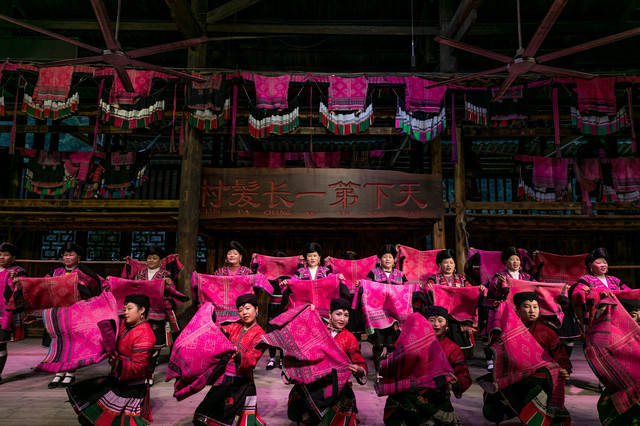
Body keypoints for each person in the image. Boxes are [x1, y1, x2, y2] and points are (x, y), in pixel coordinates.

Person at [483, 291, 572, 424]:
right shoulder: (508, 330)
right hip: (512, 378)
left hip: (538, 380)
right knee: (492, 409)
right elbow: (496, 348)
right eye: (527, 306)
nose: (532, 310)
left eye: (535, 307)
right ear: (518, 310)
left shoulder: (547, 332)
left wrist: (564, 369)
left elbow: (561, 357)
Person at [66, 294, 156, 426]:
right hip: (117, 378)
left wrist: (117, 363)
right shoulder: (126, 324)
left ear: (141, 310)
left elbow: (139, 367)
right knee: (86, 408)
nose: (125, 312)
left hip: (131, 387)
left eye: (129, 308)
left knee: (100, 420)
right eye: (124, 309)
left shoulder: (145, 336)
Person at [288, 298, 368, 425]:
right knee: (299, 396)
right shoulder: (318, 330)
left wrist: (360, 370)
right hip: (314, 380)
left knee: (346, 400)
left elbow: (360, 361)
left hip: (336, 384)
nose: (342, 319)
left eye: (346, 315)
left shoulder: (350, 338)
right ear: (330, 315)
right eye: (338, 314)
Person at [194, 294, 267, 425]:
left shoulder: (260, 335)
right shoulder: (235, 327)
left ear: (256, 309)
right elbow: (219, 331)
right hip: (224, 380)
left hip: (241, 384)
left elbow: (251, 360)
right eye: (240, 310)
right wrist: (210, 319)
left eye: (247, 308)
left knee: (229, 421)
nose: (244, 313)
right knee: (202, 415)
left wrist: (238, 355)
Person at [47, 242, 102, 388]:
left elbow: (100, 284)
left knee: (72, 343)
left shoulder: (84, 273)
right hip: (58, 313)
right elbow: (42, 284)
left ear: (79, 257)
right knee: (58, 342)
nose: (67, 257)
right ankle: (58, 372)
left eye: (71, 255)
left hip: (76, 313)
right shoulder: (55, 272)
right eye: (65, 255)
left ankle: (70, 373)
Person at [131, 244, 180, 385]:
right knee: (141, 345)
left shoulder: (165, 275)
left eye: (154, 258)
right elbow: (132, 288)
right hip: (141, 314)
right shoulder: (140, 274)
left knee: (155, 346)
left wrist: (169, 285)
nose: (151, 260)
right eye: (149, 258)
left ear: (160, 260)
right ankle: (140, 372)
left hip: (158, 314)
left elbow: (172, 292)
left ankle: (150, 373)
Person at [363, 244, 407, 369]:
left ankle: (390, 369)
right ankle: (378, 370)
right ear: (380, 259)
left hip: (394, 314)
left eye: (390, 257)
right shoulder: (373, 273)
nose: (387, 259)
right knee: (378, 344)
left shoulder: (400, 275)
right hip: (378, 314)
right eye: (384, 257)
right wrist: (360, 284)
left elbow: (407, 290)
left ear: (394, 260)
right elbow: (366, 287)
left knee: (392, 344)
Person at [0, 242, 27, 383]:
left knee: (0, 344)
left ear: (13, 257)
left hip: (4, 313)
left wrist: (17, 279)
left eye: (5, 255)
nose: (1, 257)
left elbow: (26, 285)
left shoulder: (17, 270)